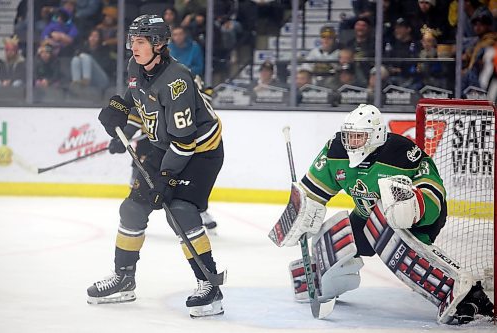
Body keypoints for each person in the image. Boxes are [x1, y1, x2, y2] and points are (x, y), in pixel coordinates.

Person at [275, 104, 494, 324]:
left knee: (398, 244)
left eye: (359, 137)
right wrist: (301, 212)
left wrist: (413, 207)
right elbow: (311, 192)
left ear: (376, 135)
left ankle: (470, 295)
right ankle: (321, 274)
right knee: (339, 238)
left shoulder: (400, 152)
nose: (352, 142)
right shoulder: (335, 151)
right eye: (349, 135)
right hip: (368, 215)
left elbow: (434, 192)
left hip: (417, 220)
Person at [87, 14, 225, 318]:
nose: (133, 47)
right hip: (167, 146)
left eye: (141, 41)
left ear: (159, 44)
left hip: (201, 152)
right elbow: (137, 99)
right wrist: (120, 114)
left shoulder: (177, 81)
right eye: (132, 41)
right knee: (132, 207)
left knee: (181, 211)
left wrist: (165, 177)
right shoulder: (135, 66)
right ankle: (124, 278)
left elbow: (186, 142)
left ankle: (210, 283)